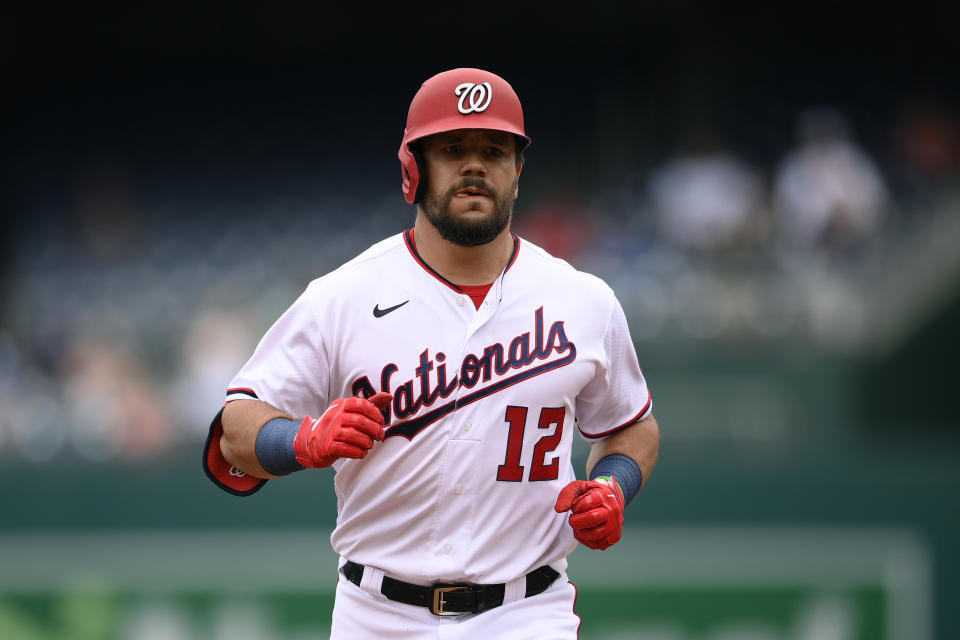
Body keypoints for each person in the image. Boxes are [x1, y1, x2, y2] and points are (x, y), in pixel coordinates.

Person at [202, 67, 660, 639]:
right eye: (452, 149)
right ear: (413, 169)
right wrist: (302, 439)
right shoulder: (342, 296)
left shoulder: (584, 300)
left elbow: (632, 428)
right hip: (377, 614)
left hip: (526, 611)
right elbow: (235, 433)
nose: (474, 165)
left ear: (517, 171)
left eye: (494, 149)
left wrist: (615, 484)